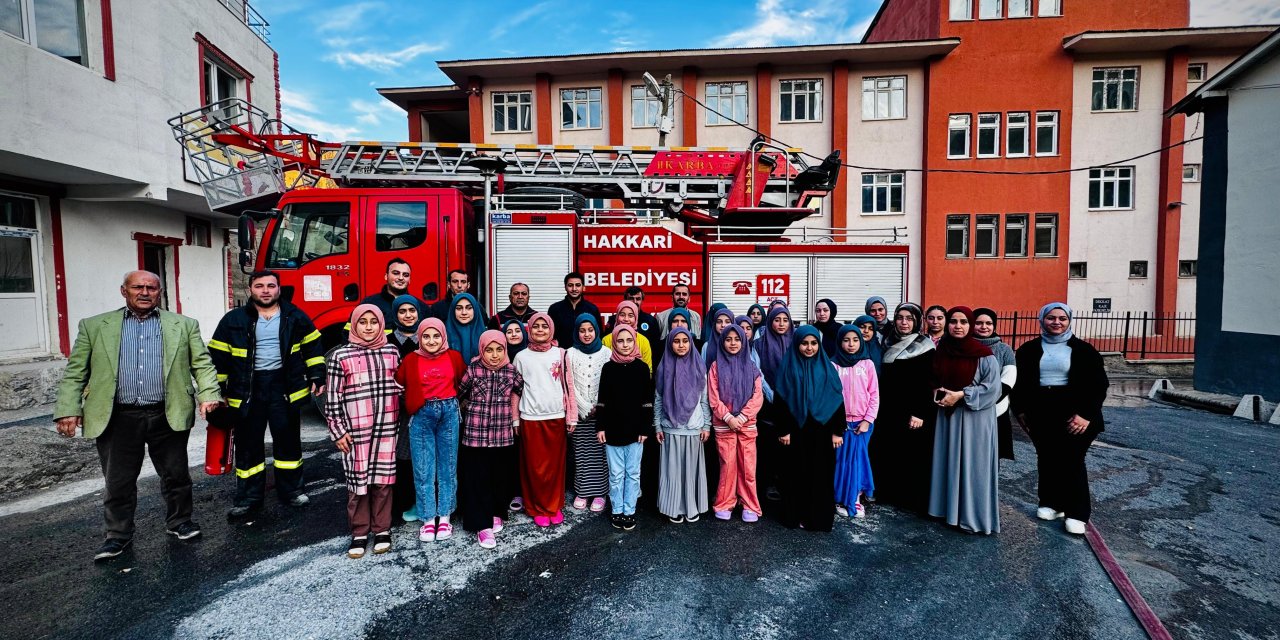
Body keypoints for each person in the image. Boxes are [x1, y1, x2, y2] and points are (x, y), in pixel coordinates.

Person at [54, 271, 222, 561]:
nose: (145, 292)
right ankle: (117, 535)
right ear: (124, 291)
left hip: (166, 413)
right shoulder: (95, 326)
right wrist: (68, 408)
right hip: (118, 417)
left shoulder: (183, 325)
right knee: (118, 480)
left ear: (159, 292)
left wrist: (209, 394)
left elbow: (202, 364)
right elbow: (75, 372)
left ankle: (180, 522)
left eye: (151, 288)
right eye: (138, 287)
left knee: (176, 475)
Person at [210, 270, 326, 522]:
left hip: (283, 387)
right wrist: (216, 392)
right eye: (259, 285)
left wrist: (317, 375)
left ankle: (292, 491)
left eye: (271, 286)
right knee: (248, 445)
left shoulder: (295, 316)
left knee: (288, 441)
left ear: (279, 289)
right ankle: (248, 498)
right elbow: (218, 357)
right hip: (247, 389)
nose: (265, 290)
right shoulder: (233, 319)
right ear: (250, 289)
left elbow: (313, 346)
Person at [1012, 303, 1108, 536]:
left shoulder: (1084, 350)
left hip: (1076, 413)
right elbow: (1020, 384)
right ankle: (1051, 503)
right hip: (1041, 412)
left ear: (1069, 321)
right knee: (1047, 457)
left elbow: (1098, 385)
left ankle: (1076, 513)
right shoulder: (1028, 349)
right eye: (1051, 318)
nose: (1056, 322)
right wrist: (1022, 412)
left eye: (1062, 318)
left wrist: (1086, 415)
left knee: (1072, 460)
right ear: (1042, 320)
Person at [324, 305, 402, 558]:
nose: (368, 327)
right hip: (356, 430)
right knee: (358, 481)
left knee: (383, 481)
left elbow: (401, 386)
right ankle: (359, 532)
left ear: (381, 325)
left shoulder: (391, 351)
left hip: (387, 427)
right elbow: (333, 397)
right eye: (362, 322)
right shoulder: (341, 356)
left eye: (373, 322)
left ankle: (382, 529)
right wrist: (338, 430)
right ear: (353, 325)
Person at [928, 306, 1001, 535]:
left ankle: (972, 517)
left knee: (973, 466)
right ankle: (947, 512)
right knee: (947, 461)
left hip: (974, 418)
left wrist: (960, 395)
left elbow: (992, 389)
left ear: (970, 326)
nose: (957, 326)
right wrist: (936, 391)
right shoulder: (942, 351)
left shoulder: (984, 355)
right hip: (947, 417)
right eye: (953, 321)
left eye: (963, 322)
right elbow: (933, 378)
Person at [395, 318, 465, 543]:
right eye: (426, 336)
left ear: (443, 336)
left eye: (436, 336)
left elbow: (462, 382)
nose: (432, 341)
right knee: (424, 468)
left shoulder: (453, 357)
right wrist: (413, 402)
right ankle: (427, 519)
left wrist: (455, 405)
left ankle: (444, 516)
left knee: (448, 466)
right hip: (422, 414)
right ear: (420, 338)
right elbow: (400, 383)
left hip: (449, 412)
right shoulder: (410, 359)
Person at [772, 326, 846, 531]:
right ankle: (795, 516)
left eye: (814, 343)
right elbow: (781, 400)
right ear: (797, 343)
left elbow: (837, 400)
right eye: (805, 343)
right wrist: (783, 430)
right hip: (796, 431)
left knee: (820, 476)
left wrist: (838, 431)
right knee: (795, 474)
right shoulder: (788, 366)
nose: (809, 347)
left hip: (822, 431)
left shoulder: (827, 367)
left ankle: (818, 519)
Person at [456, 330, 525, 549]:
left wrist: (515, 418)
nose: (494, 355)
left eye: (499, 350)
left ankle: (497, 511)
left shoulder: (511, 371)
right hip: (476, 435)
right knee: (478, 479)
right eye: (489, 350)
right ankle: (481, 525)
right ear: (482, 350)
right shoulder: (473, 369)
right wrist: (465, 406)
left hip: (502, 435)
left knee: (498, 476)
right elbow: (460, 392)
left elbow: (520, 390)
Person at [870, 302, 937, 513]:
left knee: (910, 454)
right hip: (888, 408)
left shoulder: (925, 346)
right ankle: (887, 492)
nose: (904, 322)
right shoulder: (887, 342)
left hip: (912, 410)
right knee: (888, 450)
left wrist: (919, 412)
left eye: (909, 318)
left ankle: (908, 498)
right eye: (900, 318)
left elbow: (928, 383)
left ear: (917, 321)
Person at [512, 313, 576, 527]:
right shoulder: (521, 357)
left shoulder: (561, 353)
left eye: (544, 326)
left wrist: (571, 416)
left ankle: (553, 506)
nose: (540, 330)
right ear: (528, 329)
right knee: (534, 466)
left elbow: (568, 386)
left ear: (551, 329)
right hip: (530, 418)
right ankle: (536, 507)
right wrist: (515, 420)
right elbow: (515, 391)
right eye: (536, 326)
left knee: (555, 467)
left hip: (556, 417)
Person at [595, 324, 654, 530]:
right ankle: (617, 510)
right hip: (612, 430)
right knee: (616, 474)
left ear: (635, 342)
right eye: (620, 341)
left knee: (633, 472)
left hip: (636, 431)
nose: (625, 344)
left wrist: (645, 428)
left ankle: (630, 510)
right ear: (614, 343)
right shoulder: (608, 368)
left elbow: (647, 401)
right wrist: (600, 427)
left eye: (629, 340)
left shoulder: (641, 368)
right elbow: (602, 400)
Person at [654, 328, 711, 523]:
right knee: (673, 472)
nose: (681, 345)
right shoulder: (664, 368)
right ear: (670, 343)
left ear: (690, 343)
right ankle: (674, 507)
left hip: (694, 427)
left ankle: (691, 506)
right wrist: (657, 427)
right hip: (670, 427)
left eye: (685, 341)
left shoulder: (699, 368)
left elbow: (704, 401)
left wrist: (706, 426)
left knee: (691, 472)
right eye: (676, 341)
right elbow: (658, 400)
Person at [708, 324, 764, 522]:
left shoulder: (751, 367)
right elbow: (713, 397)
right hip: (724, 425)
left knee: (748, 468)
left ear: (744, 341)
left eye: (737, 339)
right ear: (722, 342)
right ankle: (725, 503)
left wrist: (741, 417)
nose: (733, 343)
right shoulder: (715, 366)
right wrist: (729, 417)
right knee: (728, 466)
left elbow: (758, 396)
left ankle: (749, 504)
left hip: (746, 425)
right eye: (728, 339)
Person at [832, 325, 880, 519]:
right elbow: (831, 396)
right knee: (842, 462)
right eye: (846, 340)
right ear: (839, 342)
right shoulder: (833, 364)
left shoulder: (867, 364)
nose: (851, 344)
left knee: (858, 461)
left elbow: (874, 394)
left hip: (862, 424)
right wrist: (835, 424)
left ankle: (855, 499)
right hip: (841, 424)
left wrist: (868, 420)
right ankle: (841, 498)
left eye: (855, 340)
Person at [566, 314, 612, 513]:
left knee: (600, 453)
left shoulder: (607, 353)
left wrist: (598, 405)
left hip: (601, 413)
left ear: (597, 330)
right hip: (579, 413)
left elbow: (609, 383)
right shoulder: (569, 353)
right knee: (581, 453)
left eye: (590, 330)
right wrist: (584, 406)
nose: (586, 334)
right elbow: (569, 383)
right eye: (582, 330)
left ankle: (600, 493)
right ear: (577, 331)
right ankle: (582, 491)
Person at [753, 305, 794, 502]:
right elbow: (757, 372)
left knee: (788, 446)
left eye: (785, 320)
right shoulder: (759, 344)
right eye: (777, 320)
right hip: (768, 404)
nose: (781, 324)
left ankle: (784, 482)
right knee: (768, 446)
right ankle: (768, 484)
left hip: (792, 403)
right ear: (770, 321)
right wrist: (773, 395)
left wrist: (789, 395)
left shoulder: (797, 342)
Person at [388, 295, 422, 521]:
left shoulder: (427, 338)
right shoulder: (388, 341)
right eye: (402, 311)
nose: (408, 315)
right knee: (402, 455)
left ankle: (421, 500)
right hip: (395, 407)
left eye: (412, 310)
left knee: (423, 456)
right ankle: (403, 500)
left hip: (422, 406)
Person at [972, 308, 1018, 461]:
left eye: (988, 323)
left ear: (994, 325)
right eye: (979, 323)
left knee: (992, 457)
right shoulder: (963, 347)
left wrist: (986, 400)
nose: (984, 326)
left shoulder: (1004, 350)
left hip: (996, 410)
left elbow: (1008, 379)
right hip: (968, 410)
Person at [500, 318, 530, 512]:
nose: (513, 334)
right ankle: (508, 491)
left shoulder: (527, 355)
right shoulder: (498, 356)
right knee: (506, 456)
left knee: (523, 454)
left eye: (517, 331)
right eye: (508, 331)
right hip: (501, 415)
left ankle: (521, 492)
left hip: (525, 413)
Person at [547, 272, 602, 348]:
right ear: (565, 287)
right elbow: (549, 336)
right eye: (570, 285)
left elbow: (599, 335)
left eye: (578, 285)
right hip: (561, 354)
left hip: (586, 354)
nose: (574, 289)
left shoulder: (592, 309)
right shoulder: (554, 309)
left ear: (583, 287)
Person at [360, 258, 419, 322]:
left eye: (405, 275)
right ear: (386, 276)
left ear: (409, 280)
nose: (401, 278)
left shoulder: (421, 306)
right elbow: (350, 329)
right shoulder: (369, 303)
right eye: (396, 273)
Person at [602, 300, 653, 371]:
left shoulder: (644, 341)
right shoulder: (606, 340)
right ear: (616, 317)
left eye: (631, 316)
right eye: (622, 315)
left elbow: (648, 370)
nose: (626, 319)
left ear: (636, 317)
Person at [445, 293, 486, 365]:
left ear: (475, 310)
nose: (464, 313)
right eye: (459, 308)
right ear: (452, 311)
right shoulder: (442, 337)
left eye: (469, 308)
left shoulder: (486, 336)